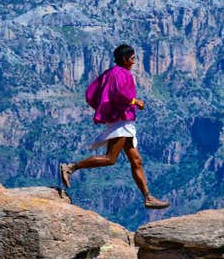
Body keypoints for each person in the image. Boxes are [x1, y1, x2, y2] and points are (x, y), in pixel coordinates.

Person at [60, 44, 170, 210]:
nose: (134, 61)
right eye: (132, 58)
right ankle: (71, 167)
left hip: (123, 121)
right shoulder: (120, 73)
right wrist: (135, 101)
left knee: (136, 161)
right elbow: (118, 93)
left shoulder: (111, 73)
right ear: (125, 59)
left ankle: (148, 198)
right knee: (110, 159)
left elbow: (95, 92)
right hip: (121, 121)